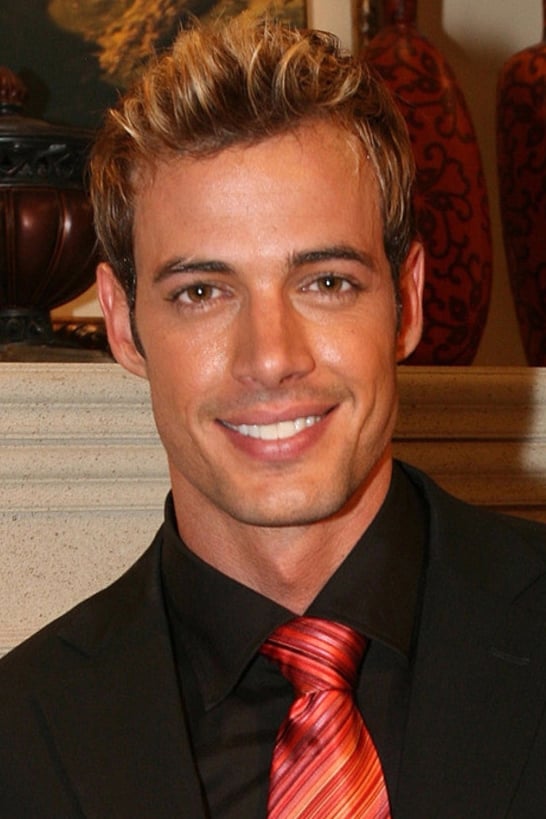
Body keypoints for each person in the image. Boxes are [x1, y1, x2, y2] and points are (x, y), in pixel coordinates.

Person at [1, 14, 546, 818]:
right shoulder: (19, 738)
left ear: (408, 300)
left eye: (326, 282)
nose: (270, 357)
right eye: (202, 291)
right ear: (122, 323)